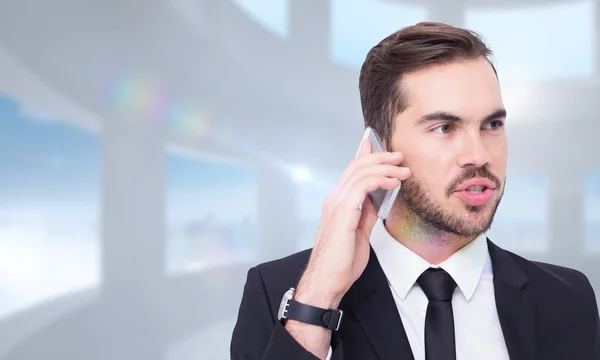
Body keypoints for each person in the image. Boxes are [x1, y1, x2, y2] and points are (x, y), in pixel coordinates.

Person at [230, 22, 600, 360]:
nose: (480, 155)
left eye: (492, 124)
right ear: (378, 147)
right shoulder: (282, 294)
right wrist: (316, 302)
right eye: (444, 127)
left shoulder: (567, 298)